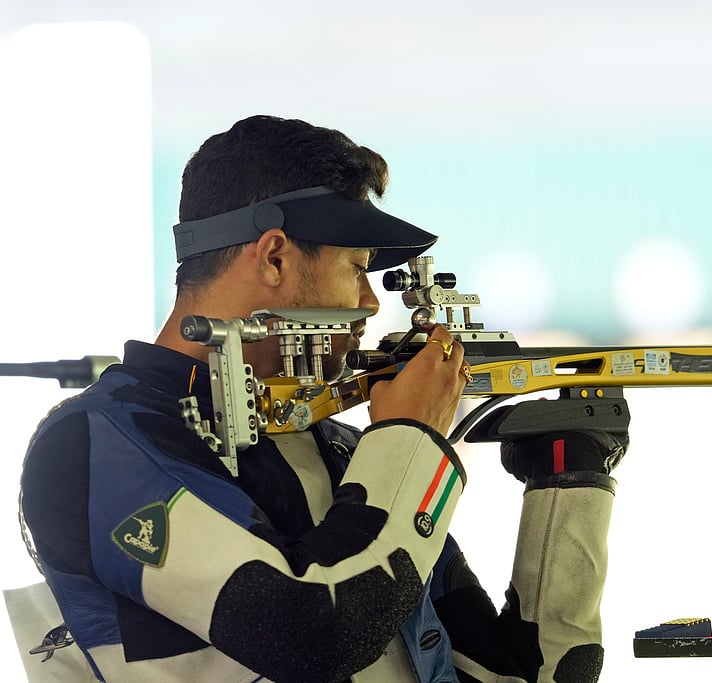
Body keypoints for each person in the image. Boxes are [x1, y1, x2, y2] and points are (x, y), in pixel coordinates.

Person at [20, 115, 627, 682]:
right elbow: (312, 633)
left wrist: (568, 480)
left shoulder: (345, 451)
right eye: (357, 267)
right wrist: (411, 440)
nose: (368, 302)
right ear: (275, 257)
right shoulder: (96, 441)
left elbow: (520, 673)